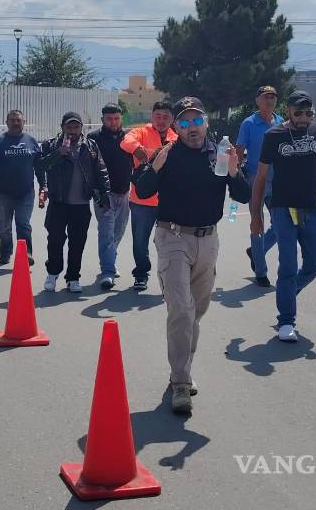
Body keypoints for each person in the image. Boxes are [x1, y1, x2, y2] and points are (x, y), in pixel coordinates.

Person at [134, 97, 250, 414]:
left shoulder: (219, 154)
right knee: (182, 312)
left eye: (196, 120)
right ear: (176, 128)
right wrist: (154, 167)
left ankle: (181, 368)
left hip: (208, 240)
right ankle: (181, 382)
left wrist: (236, 170)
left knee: (195, 312)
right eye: (183, 123)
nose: (191, 127)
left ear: (206, 122)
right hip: (172, 237)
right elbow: (142, 191)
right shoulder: (167, 154)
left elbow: (241, 195)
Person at [250, 90, 316, 343]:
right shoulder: (274, 135)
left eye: (308, 112)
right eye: (298, 112)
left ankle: (287, 292)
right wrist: (255, 216)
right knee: (287, 264)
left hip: (311, 208)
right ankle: (286, 320)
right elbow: (261, 178)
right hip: (282, 209)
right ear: (288, 111)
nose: (303, 117)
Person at [37, 112, 111, 294]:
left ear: (81, 128)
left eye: (76, 127)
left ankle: (73, 278)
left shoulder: (90, 146)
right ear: (62, 127)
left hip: (81, 204)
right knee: (55, 240)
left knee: (77, 242)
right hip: (58, 202)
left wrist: (105, 193)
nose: (72, 131)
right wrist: (57, 154)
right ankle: (52, 274)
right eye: (69, 127)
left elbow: (100, 169)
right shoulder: (51, 144)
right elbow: (40, 166)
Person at [120, 101, 178, 291]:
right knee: (140, 240)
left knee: (170, 241)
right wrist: (136, 148)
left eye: (166, 117)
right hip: (141, 200)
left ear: (172, 119)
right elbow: (125, 141)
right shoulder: (140, 132)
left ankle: (169, 275)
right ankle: (141, 274)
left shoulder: (176, 138)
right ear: (152, 116)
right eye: (158, 116)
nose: (161, 121)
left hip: (169, 200)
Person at [235, 85, 284, 287]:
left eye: (273, 97)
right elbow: (239, 150)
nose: (269, 100)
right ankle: (261, 272)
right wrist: (236, 175)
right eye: (265, 97)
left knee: (282, 223)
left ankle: (257, 250)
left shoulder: (281, 121)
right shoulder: (249, 123)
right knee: (258, 224)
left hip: (278, 178)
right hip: (256, 178)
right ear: (257, 100)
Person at [0, 110, 43, 265]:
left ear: (23, 122)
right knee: (4, 227)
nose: (16, 123)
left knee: (23, 224)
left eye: (18, 120)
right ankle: (5, 252)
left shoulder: (31, 140)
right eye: (12, 120)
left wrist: (43, 185)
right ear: (7, 122)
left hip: (26, 192)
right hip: (3, 192)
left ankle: (26, 253)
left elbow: (39, 165)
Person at [87, 102, 132, 290]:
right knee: (106, 231)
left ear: (121, 118)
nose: (113, 122)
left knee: (119, 230)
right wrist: (96, 191)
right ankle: (107, 271)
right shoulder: (93, 138)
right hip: (103, 194)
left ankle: (109, 258)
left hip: (125, 191)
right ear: (102, 120)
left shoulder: (130, 137)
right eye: (109, 119)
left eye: (116, 118)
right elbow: (89, 167)